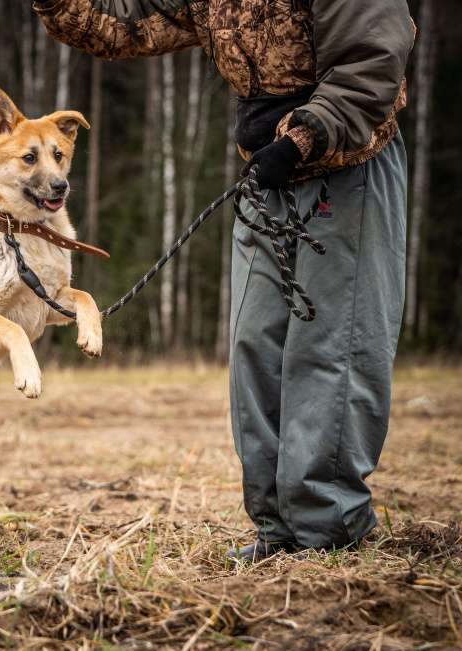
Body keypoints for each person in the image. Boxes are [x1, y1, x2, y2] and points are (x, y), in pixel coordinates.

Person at [33, 0, 416, 561]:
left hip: (347, 164)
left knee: (333, 348)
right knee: (253, 346)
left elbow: (372, 62)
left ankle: (328, 533)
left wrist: (302, 138)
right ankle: (277, 530)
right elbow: (123, 27)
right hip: (266, 174)